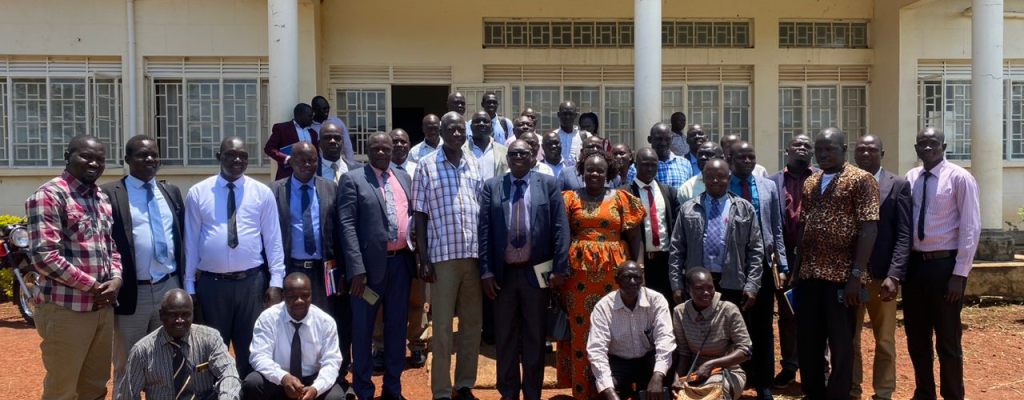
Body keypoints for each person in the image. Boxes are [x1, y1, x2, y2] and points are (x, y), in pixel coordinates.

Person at [26, 134, 123, 400]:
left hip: (101, 307)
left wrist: (115, 279)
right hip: (65, 309)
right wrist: (94, 287)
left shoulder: (100, 198)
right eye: (86, 156)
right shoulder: (49, 195)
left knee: (95, 385)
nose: (94, 163)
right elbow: (44, 256)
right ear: (67, 157)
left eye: (100, 159)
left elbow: (110, 247)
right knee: (63, 389)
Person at [185, 136, 286, 377]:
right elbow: (190, 243)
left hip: (252, 285)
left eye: (243, 156)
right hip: (212, 286)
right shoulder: (198, 193)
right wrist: (190, 285)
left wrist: (276, 282)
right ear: (219, 157)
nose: (237, 160)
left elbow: (273, 241)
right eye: (231, 154)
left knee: (252, 351)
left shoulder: (262, 193)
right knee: (209, 353)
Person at [791, 128, 879, 400]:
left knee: (842, 345)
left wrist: (856, 276)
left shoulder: (861, 180)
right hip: (810, 277)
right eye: (819, 149)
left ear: (844, 149)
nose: (823, 153)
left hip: (842, 279)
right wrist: (797, 270)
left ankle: (839, 395)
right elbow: (804, 226)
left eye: (829, 148)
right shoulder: (811, 183)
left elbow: (869, 229)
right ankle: (814, 392)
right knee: (808, 341)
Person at [478, 140, 570, 400]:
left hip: (537, 274)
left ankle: (532, 393)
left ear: (532, 157)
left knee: (534, 337)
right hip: (503, 275)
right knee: (505, 337)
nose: (518, 157)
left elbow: (560, 229)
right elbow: (484, 231)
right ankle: (508, 393)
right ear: (507, 158)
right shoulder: (493, 186)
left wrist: (560, 268)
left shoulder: (548, 184)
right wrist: (485, 271)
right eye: (513, 153)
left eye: (524, 153)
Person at [102, 135, 186, 397]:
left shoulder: (170, 191)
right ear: (127, 159)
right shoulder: (110, 194)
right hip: (131, 294)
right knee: (128, 363)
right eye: (141, 155)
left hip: (168, 288)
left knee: (166, 361)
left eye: (154, 154)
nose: (149, 159)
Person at [558, 151, 646, 399]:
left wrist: (639, 270)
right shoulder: (569, 198)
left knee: (614, 328)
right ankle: (583, 390)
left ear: (609, 174)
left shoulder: (621, 199)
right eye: (589, 169)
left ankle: (613, 387)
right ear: (581, 172)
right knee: (582, 330)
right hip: (578, 278)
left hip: (614, 276)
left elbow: (635, 236)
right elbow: (561, 236)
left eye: (600, 170)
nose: (594, 174)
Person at [270, 141, 354, 395]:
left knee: (329, 321)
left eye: (312, 160)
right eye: (301, 160)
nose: (307, 165)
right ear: (291, 162)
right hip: (291, 270)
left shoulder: (330, 188)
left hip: (324, 269)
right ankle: (290, 377)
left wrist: (341, 272)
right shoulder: (275, 191)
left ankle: (334, 378)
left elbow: (340, 232)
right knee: (288, 321)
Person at [338, 132, 416, 400]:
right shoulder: (353, 179)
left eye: (387, 148)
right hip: (368, 272)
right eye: (376, 149)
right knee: (363, 331)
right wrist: (356, 269)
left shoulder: (404, 177)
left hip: (401, 265)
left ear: (393, 150)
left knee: (396, 330)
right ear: (367, 151)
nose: (382, 153)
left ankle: (393, 389)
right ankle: (364, 389)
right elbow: (346, 226)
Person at [903, 127, 980, 400]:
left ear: (944, 146)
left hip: (945, 267)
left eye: (932, 144)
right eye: (921, 144)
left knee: (947, 340)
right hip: (914, 268)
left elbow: (971, 228)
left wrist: (960, 274)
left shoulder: (960, 178)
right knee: (917, 337)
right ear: (915, 148)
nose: (927, 148)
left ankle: (952, 395)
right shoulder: (911, 178)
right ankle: (924, 392)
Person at [413, 111, 485, 400]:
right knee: (441, 328)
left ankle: (464, 384)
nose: (457, 134)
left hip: (473, 257)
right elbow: (419, 215)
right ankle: (441, 390)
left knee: (471, 325)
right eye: (451, 129)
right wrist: (423, 258)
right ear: (440, 133)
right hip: (442, 259)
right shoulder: (426, 166)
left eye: (460, 130)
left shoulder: (475, 165)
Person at [851, 134, 912, 400]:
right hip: (850, 278)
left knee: (885, 340)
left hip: (882, 278)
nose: (865, 154)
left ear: (882, 154)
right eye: (861, 149)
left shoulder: (898, 185)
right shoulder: (846, 183)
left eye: (871, 149)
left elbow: (903, 234)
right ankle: (852, 390)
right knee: (849, 340)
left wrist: (895, 274)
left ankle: (884, 392)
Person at [726, 141, 787, 400]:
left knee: (763, 325)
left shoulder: (768, 186)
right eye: (742, 157)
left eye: (752, 157)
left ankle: (763, 382)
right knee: (735, 324)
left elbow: (777, 227)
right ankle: (737, 378)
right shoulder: (722, 184)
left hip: (761, 263)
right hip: (730, 265)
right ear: (730, 159)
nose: (748, 161)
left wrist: (782, 265)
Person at [668, 159, 763, 308]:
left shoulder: (745, 208)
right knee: (698, 329)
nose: (715, 180)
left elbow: (755, 251)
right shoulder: (688, 209)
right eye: (710, 176)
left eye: (720, 176)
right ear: (704, 178)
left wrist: (752, 285)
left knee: (730, 329)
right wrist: (676, 285)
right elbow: (676, 250)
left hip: (733, 284)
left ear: (729, 178)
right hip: (697, 286)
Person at [116, 289, 240, 400]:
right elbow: (128, 394)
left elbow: (228, 373)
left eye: (185, 314)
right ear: (161, 315)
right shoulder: (142, 351)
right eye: (173, 315)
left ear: (192, 314)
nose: (179, 321)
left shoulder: (210, 338)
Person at [245, 273, 347, 400]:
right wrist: (283, 378)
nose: (299, 301)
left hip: (312, 381)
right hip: (278, 380)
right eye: (292, 296)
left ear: (311, 295)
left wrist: (316, 389)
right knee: (253, 383)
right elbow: (259, 356)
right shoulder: (268, 318)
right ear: (283, 296)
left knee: (336, 397)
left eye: (305, 295)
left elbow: (331, 362)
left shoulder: (325, 322)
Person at [767, 133, 815, 387]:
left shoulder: (820, 178)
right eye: (798, 144)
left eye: (808, 145)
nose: (803, 148)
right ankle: (789, 367)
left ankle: (820, 367)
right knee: (787, 315)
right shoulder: (772, 181)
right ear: (787, 149)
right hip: (784, 257)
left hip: (815, 258)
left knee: (817, 314)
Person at [587, 261, 674, 400]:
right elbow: (597, 350)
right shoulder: (603, 307)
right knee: (599, 389)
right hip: (618, 361)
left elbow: (665, 338)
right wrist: (609, 392)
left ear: (643, 278)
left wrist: (658, 375)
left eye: (637, 277)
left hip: (647, 358)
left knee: (665, 377)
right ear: (617, 280)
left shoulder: (656, 300)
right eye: (627, 277)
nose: (633, 282)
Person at [671, 267, 752, 400]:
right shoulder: (680, 312)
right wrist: (677, 379)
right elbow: (684, 352)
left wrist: (712, 364)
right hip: (695, 375)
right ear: (688, 289)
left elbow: (746, 350)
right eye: (699, 288)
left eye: (710, 287)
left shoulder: (728, 310)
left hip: (728, 372)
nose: (706, 292)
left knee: (711, 394)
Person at [620, 148, 680, 307]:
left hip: (665, 262)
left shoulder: (668, 192)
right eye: (645, 164)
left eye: (653, 165)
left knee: (665, 306)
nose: (649, 169)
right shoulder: (625, 193)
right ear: (636, 165)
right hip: (639, 263)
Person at [626, 123, 693, 189]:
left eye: (667, 139)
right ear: (650, 139)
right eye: (659, 139)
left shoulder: (685, 164)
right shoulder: (636, 168)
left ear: (672, 139)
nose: (663, 143)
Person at [267, 103, 320, 180]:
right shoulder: (282, 129)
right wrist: (287, 159)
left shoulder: (313, 133)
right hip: (288, 176)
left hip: (310, 176)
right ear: (299, 115)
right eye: (309, 116)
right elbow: (269, 148)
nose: (312, 119)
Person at [465, 110, 510, 183]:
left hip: (495, 194)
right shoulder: (461, 150)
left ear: (491, 126)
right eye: (477, 121)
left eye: (485, 121)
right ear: (470, 126)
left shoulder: (504, 151)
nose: (481, 124)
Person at [311, 96, 355, 163]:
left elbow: (347, 145)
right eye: (323, 108)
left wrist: (350, 164)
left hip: (336, 163)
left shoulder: (337, 122)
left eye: (328, 108)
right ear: (314, 110)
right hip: (317, 165)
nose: (326, 110)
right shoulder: (309, 126)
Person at [556, 101, 589, 166]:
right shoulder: (553, 136)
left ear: (575, 115)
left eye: (570, 114)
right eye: (564, 114)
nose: (567, 117)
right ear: (558, 115)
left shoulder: (586, 136)